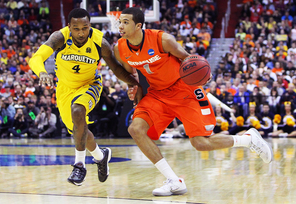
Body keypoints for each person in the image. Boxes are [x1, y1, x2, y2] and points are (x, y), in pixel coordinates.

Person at [114, 7, 273, 196]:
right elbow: (132, 75)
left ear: (138, 25)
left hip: (184, 90)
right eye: (120, 21)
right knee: (135, 129)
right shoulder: (120, 48)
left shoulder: (162, 40)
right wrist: (134, 87)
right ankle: (174, 181)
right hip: (158, 94)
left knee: (200, 143)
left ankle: (247, 139)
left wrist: (203, 75)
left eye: (125, 22)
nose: (120, 25)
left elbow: (189, 59)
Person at [29, 8, 141, 186]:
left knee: (78, 110)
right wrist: (42, 72)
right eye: (76, 28)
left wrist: (133, 83)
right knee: (79, 131)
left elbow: (116, 68)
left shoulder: (100, 42)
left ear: (90, 26)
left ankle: (79, 165)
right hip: (65, 89)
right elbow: (36, 58)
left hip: (90, 85)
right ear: (69, 27)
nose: (81, 32)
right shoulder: (60, 37)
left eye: (85, 27)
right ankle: (100, 156)